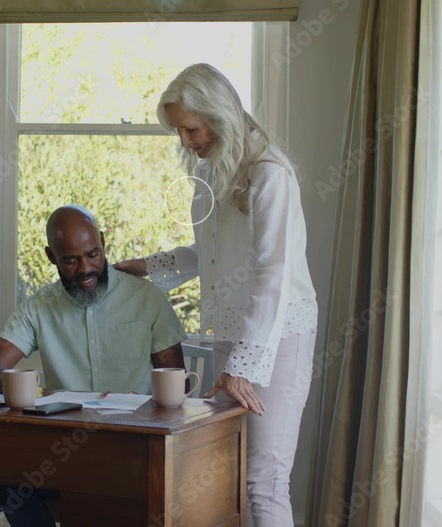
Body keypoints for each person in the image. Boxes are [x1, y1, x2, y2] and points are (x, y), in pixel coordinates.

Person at [114, 63, 317, 527]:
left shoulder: (270, 175)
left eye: (190, 127)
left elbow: (274, 275)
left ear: (218, 113)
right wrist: (150, 266)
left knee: (264, 480)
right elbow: (208, 254)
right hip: (234, 332)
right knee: (229, 471)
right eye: (178, 131)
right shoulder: (214, 179)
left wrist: (242, 368)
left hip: (279, 336)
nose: (185, 141)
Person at [0, 204, 189, 527]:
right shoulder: (39, 307)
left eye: (93, 254)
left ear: (103, 242)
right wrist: (5, 381)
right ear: (51, 257)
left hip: (135, 449)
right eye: (71, 260)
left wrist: (147, 407)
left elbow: (178, 386)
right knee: (9, 482)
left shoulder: (147, 299)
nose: (86, 268)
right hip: (67, 452)